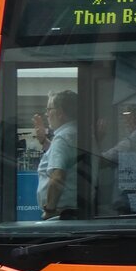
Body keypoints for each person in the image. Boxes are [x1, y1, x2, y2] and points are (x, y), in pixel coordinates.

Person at [37, 90, 78, 219]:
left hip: (60, 214)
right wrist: (44, 141)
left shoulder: (62, 138)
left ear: (59, 113)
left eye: (49, 109)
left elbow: (58, 177)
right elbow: (66, 157)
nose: (46, 114)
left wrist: (49, 209)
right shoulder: (76, 133)